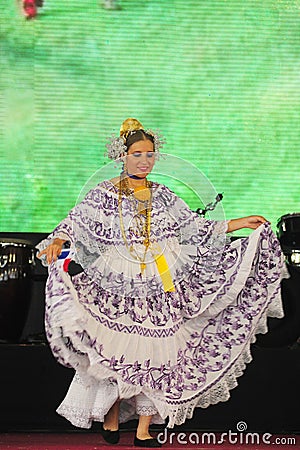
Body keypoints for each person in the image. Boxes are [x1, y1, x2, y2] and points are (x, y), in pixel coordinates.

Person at [37, 118, 286, 448]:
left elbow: (193, 228)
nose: (144, 161)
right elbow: (74, 223)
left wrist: (241, 223)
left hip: (161, 279)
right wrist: (59, 241)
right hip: (118, 281)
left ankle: (143, 429)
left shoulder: (164, 195)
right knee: (116, 348)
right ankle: (110, 418)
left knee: (160, 352)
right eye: (137, 153)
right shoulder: (103, 194)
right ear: (122, 156)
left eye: (150, 154)